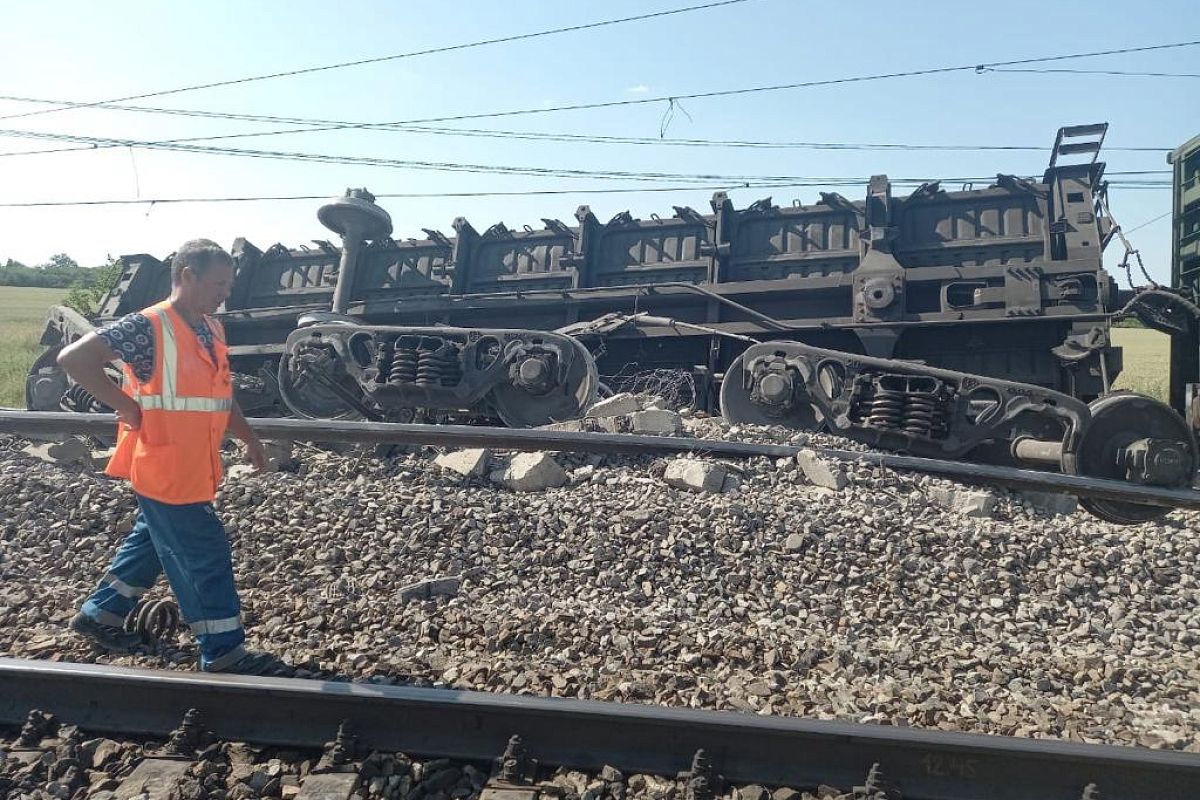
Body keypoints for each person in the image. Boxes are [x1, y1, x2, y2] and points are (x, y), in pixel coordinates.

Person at [57, 239, 287, 675]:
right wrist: (124, 406)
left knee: (150, 543)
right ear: (187, 277)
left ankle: (97, 615)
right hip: (162, 465)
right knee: (205, 550)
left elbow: (221, 394)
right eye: (219, 283)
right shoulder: (149, 325)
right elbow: (75, 359)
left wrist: (249, 438)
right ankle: (223, 651)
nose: (226, 293)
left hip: (194, 466)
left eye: (229, 284)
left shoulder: (210, 328)